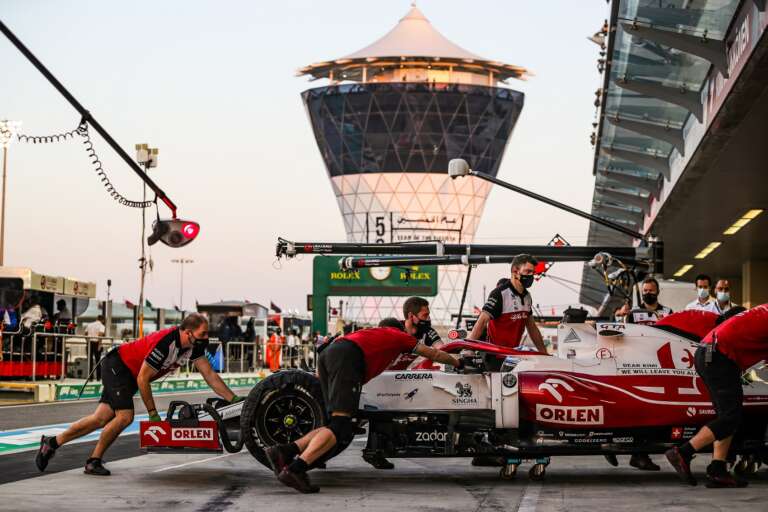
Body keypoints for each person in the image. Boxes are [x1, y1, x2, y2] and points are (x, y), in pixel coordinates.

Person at [265, 317, 462, 493]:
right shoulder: (399, 336)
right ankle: (295, 469)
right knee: (340, 426)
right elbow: (433, 354)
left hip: (329, 355)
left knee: (333, 424)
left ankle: (285, 451)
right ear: (399, 329)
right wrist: (458, 363)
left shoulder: (368, 334)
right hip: (348, 359)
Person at [34, 313, 244, 476]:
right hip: (119, 366)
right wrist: (153, 414)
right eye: (203, 334)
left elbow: (209, 374)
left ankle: (52, 443)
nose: (206, 339)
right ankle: (93, 461)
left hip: (129, 373)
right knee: (125, 416)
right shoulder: (167, 343)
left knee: (100, 418)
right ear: (188, 332)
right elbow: (143, 378)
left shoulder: (192, 347)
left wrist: (233, 400)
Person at [666, 305, 763, 488]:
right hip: (719, 356)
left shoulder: (763, 311)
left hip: (710, 352)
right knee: (730, 417)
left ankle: (718, 470)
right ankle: (683, 453)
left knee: (726, 415)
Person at [616, 277, 673, 471]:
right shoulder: (633, 313)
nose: (648, 293)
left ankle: (641, 453)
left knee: (659, 412)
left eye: (651, 290)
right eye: (645, 290)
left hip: (662, 368)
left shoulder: (667, 313)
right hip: (638, 367)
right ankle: (638, 454)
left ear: (658, 291)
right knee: (640, 411)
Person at [469, 254, 547, 352]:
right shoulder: (499, 294)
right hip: (494, 354)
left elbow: (532, 327)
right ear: (515, 271)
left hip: (513, 354)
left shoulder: (527, 296)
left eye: (533, 272)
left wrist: (544, 353)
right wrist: (468, 349)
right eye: (528, 271)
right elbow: (482, 322)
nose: (531, 276)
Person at [85, 315, 106, 381]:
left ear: (97, 318)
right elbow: (100, 335)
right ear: (102, 320)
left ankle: (90, 378)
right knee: (98, 361)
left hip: (89, 343)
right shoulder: (102, 326)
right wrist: (99, 345)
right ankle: (98, 377)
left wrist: (87, 341)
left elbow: (85, 333)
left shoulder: (89, 324)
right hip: (96, 343)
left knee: (90, 361)